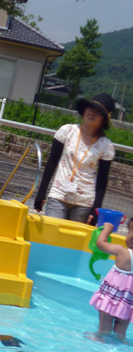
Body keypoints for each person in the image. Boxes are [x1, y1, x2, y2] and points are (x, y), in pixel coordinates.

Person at [34, 93, 115, 224]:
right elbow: (51, 163)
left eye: (98, 112)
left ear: (103, 120)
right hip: (58, 194)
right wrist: (41, 192)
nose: (92, 113)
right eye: (90, 108)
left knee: (72, 243)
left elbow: (102, 180)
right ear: (84, 111)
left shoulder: (106, 145)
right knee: (51, 236)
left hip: (84, 202)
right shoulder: (66, 131)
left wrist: (96, 209)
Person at [89, 219, 133, 339]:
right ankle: (122, 342)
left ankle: (101, 338)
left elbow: (100, 243)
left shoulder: (122, 251)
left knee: (105, 326)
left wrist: (107, 229)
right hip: (129, 301)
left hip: (112, 297)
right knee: (120, 333)